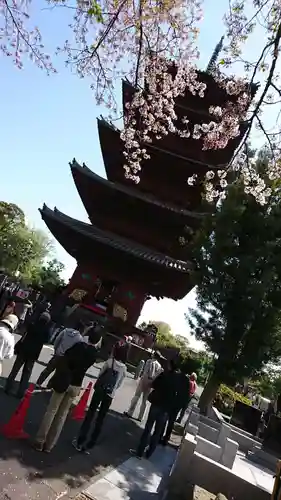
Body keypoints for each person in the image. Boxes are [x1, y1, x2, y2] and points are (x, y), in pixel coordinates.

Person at [33, 326, 102, 452]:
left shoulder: (79, 346)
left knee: (51, 411)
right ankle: (49, 445)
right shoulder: (94, 354)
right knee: (62, 415)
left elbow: (66, 357)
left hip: (64, 381)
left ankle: (40, 441)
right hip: (76, 384)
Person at [73, 341, 128, 453]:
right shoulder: (124, 368)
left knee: (90, 414)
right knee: (100, 419)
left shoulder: (109, 362)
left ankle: (80, 441)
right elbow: (119, 384)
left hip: (99, 391)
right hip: (109, 395)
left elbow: (100, 375)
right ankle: (90, 445)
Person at [131, 360, 179, 459]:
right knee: (157, 432)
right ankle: (149, 453)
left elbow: (153, 384)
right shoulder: (176, 380)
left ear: (170, 366)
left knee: (148, 428)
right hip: (166, 409)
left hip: (156, 405)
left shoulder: (164, 374)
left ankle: (139, 452)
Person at [5, 313, 51, 398]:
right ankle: (21, 392)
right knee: (26, 373)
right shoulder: (46, 330)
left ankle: (8, 387)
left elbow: (25, 334)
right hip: (33, 354)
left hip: (23, 350)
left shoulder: (32, 324)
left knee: (15, 369)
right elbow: (47, 340)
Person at [36, 320, 86, 386]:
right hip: (66, 358)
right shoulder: (79, 338)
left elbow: (57, 340)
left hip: (58, 354)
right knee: (57, 373)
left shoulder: (65, 331)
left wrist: (56, 350)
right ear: (81, 329)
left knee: (48, 369)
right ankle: (49, 386)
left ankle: (38, 383)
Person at [124, 351, 163, 421]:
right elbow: (156, 376)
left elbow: (145, 371)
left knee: (136, 396)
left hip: (144, 380)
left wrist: (144, 379)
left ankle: (130, 412)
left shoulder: (149, 361)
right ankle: (140, 417)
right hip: (150, 383)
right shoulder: (159, 366)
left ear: (154, 355)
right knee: (144, 401)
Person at [160, 363, 190, 445]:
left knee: (164, 419)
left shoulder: (176, 376)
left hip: (170, 401)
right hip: (177, 405)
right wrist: (183, 405)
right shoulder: (187, 381)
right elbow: (186, 395)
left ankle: (160, 436)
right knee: (171, 421)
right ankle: (166, 438)